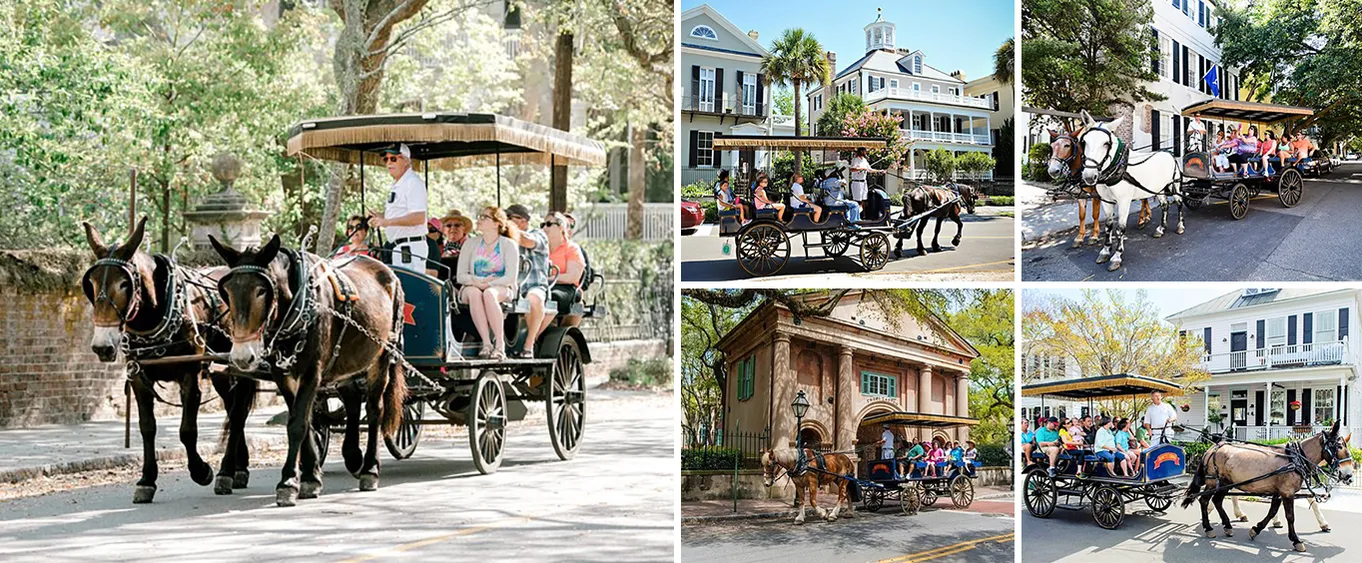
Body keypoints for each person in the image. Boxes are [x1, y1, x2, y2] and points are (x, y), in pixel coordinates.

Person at [456, 207, 521, 359]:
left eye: (484, 217)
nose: (479, 219)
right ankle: (486, 343)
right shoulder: (470, 244)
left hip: (501, 286)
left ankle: (499, 344)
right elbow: (460, 276)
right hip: (473, 285)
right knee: (474, 293)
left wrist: (490, 284)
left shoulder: (508, 245)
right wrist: (476, 281)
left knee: (489, 294)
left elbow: (510, 277)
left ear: (496, 223)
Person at [367, 143, 428, 272]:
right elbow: (401, 215)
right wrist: (381, 217)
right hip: (400, 247)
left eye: (393, 158)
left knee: (409, 288)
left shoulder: (413, 183)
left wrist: (386, 222)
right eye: (386, 159)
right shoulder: (399, 184)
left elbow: (419, 217)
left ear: (406, 161)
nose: (389, 163)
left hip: (410, 247)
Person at [506, 204, 551, 359]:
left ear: (523, 221)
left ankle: (529, 343)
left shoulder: (538, 234)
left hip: (534, 285)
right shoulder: (504, 240)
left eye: (509, 218)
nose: (506, 222)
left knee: (535, 298)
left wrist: (507, 229)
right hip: (510, 286)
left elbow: (528, 241)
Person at [543, 212, 586, 331]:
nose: (544, 228)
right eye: (542, 224)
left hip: (566, 288)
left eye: (548, 224)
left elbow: (572, 277)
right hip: (544, 285)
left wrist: (549, 279)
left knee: (550, 296)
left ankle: (532, 338)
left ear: (561, 227)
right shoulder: (541, 249)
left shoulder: (571, 248)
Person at [440, 210, 472, 275]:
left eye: (457, 225)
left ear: (464, 228)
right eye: (449, 225)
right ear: (444, 230)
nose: (453, 228)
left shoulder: (472, 245)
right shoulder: (440, 247)